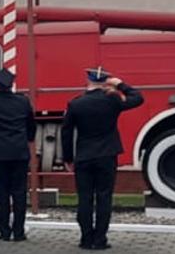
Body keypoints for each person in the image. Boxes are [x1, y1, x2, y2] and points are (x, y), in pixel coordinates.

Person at [61, 67, 145, 250]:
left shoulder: (76, 104)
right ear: (105, 82)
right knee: (104, 197)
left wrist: (68, 158)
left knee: (84, 198)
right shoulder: (112, 100)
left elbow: (66, 133)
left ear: (88, 81)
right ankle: (100, 240)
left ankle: (85, 239)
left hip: (84, 156)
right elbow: (138, 98)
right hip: (107, 155)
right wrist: (120, 84)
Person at [0, 68, 34, 242]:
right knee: (19, 192)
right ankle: (19, 231)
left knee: (1, 193)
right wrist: (28, 140)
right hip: (19, 152)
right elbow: (31, 126)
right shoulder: (23, 102)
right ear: (12, 85)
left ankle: (4, 231)